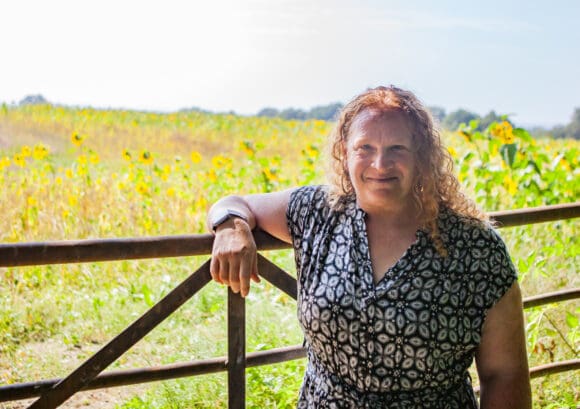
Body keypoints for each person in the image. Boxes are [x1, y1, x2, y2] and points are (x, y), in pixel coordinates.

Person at [207, 86, 532, 408]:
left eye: (396, 149)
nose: (380, 163)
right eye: (365, 147)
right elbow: (233, 204)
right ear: (344, 153)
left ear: (421, 157)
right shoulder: (318, 212)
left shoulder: (476, 249)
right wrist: (232, 228)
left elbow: (505, 374)